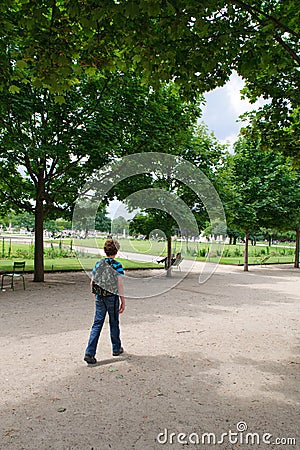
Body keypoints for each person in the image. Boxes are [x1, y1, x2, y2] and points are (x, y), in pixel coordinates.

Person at [84, 239, 125, 365]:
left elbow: (92, 282)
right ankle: (116, 348)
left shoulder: (98, 264)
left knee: (97, 324)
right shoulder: (117, 265)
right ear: (116, 251)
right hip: (112, 297)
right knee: (114, 322)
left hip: (100, 297)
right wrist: (122, 301)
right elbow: (119, 285)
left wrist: (96, 297)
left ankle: (89, 353)